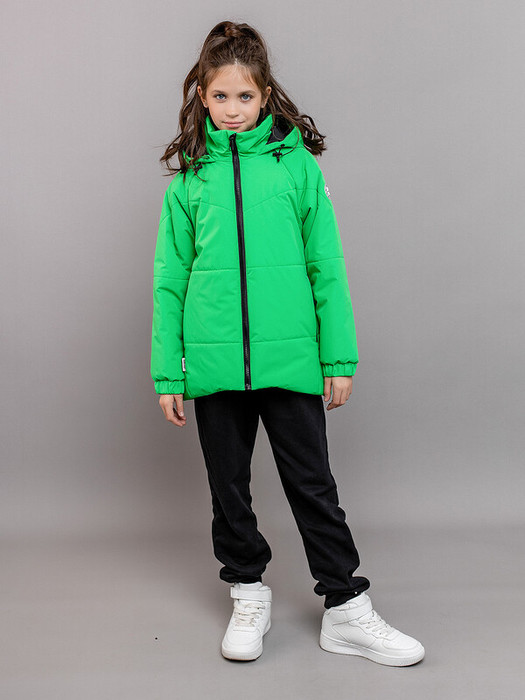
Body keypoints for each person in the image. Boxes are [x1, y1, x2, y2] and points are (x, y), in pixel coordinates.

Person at [150, 20, 425, 667]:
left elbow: (326, 266)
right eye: (221, 96)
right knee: (228, 490)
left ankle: (346, 609)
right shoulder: (188, 182)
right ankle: (248, 593)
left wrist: (337, 359)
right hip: (213, 361)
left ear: (266, 95)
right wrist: (169, 373)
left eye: (245, 96)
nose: (233, 109)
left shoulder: (296, 167)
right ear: (201, 96)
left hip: (291, 358)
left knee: (313, 484)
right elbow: (169, 281)